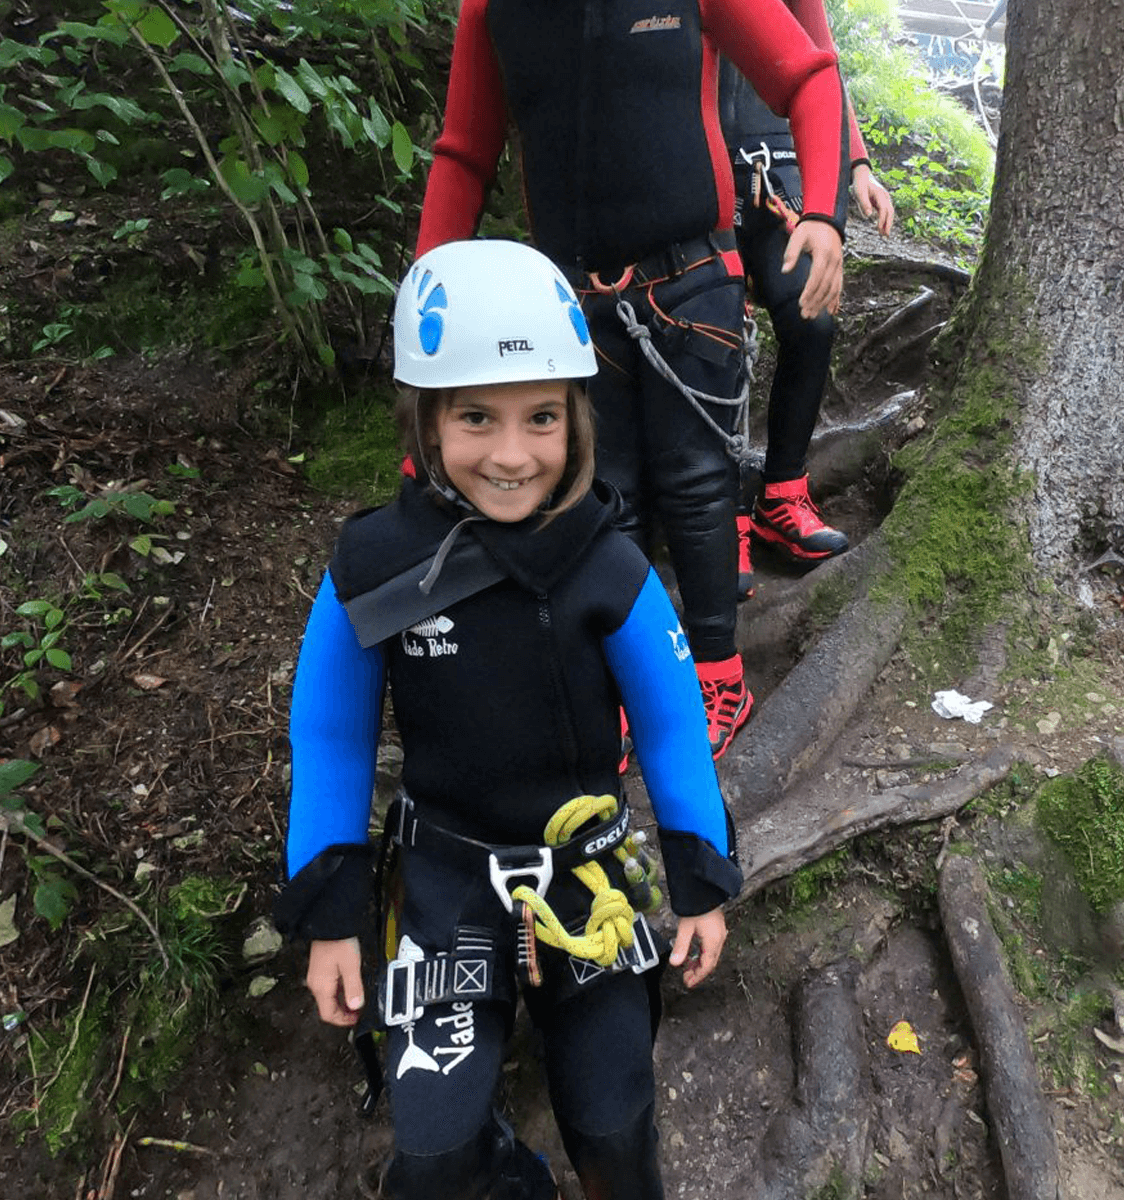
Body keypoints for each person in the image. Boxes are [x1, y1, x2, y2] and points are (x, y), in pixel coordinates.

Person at [275, 240, 744, 1200]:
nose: (511, 453)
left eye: (540, 418)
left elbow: (669, 724)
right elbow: (330, 736)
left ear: (576, 419)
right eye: (476, 418)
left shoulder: (607, 565)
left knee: (616, 1137)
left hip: (587, 881)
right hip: (446, 883)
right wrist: (331, 916)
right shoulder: (376, 569)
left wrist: (700, 878)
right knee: (435, 1167)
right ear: (427, 417)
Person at [415, 0, 852, 758]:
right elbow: (464, 155)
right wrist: (423, 313)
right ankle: (627, 677)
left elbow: (808, 75)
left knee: (696, 482)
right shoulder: (492, 11)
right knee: (604, 494)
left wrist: (824, 211)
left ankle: (720, 675)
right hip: (575, 299)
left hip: (694, 279)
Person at [719, 0, 895, 598]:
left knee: (811, 317)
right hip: (701, 173)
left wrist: (858, 165)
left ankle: (781, 493)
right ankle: (722, 514)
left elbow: (823, 66)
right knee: (715, 332)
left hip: (779, 177)